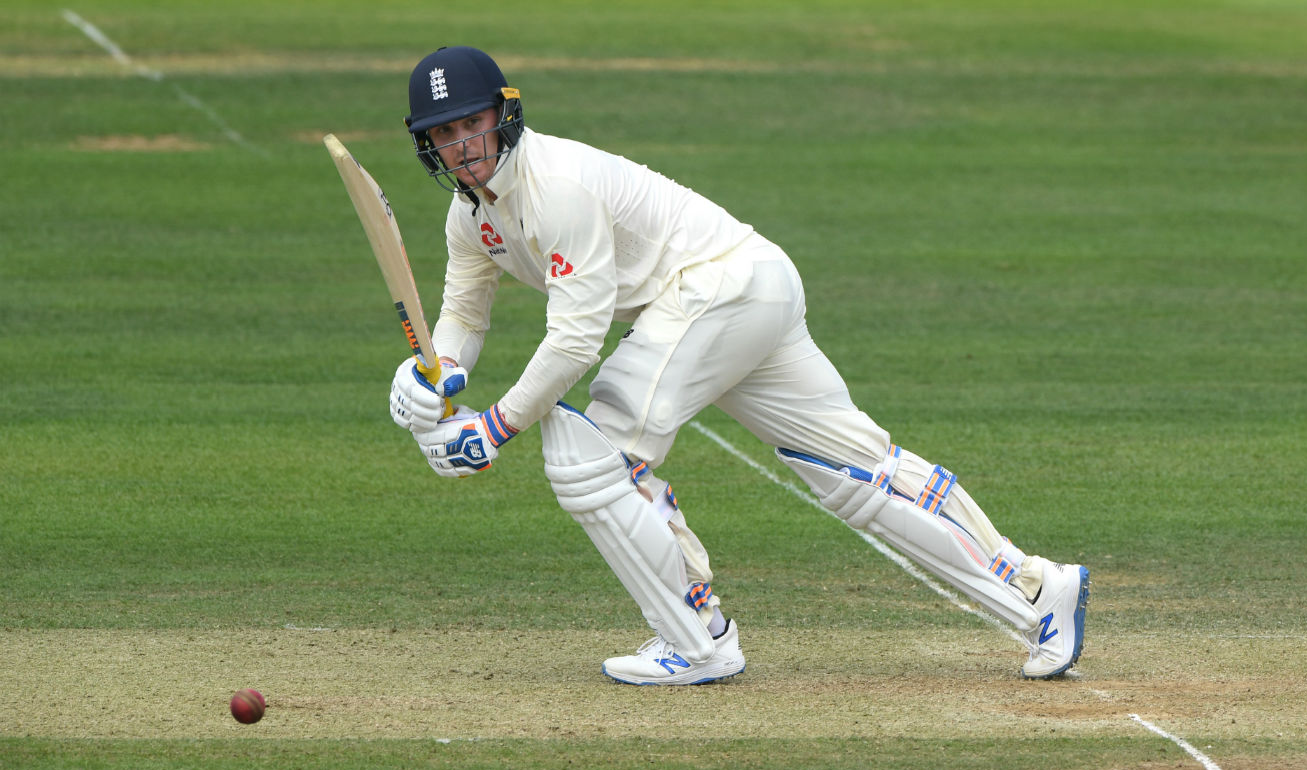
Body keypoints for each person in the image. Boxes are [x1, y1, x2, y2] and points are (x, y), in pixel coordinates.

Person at [389, 46, 1089, 685]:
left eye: (470, 124)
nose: (461, 146)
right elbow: (465, 316)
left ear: (504, 116)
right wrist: (441, 373)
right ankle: (1036, 589)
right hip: (747, 286)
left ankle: (697, 640)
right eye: (443, 134)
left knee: (594, 454)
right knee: (852, 469)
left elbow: (575, 342)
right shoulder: (470, 215)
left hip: (715, 290)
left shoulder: (558, 187)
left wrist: (494, 429)